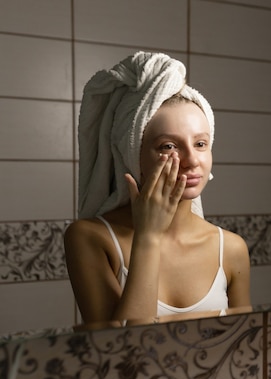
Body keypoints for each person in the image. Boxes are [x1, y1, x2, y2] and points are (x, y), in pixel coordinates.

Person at [64, 52, 251, 327]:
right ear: (133, 155)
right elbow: (119, 356)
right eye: (169, 146)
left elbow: (246, 349)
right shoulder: (90, 239)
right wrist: (148, 238)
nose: (191, 160)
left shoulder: (231, 248)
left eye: (200, 144)